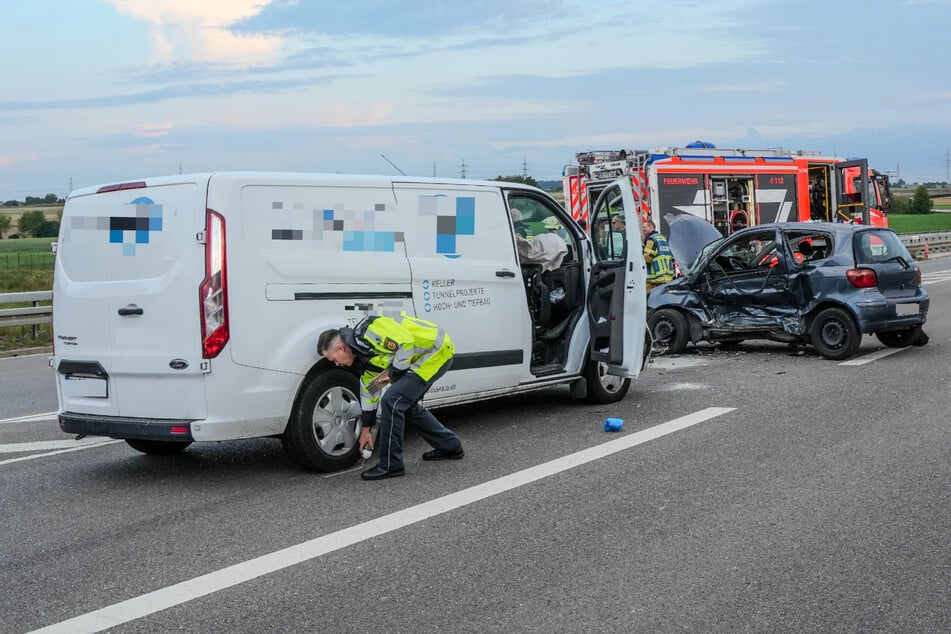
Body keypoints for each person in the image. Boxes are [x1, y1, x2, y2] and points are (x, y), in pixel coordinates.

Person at [317, 313, 464, 481]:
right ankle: (450, 446)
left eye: (334, 359)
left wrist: (393, 374)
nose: (337, 364)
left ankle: (391, 464)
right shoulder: (365, 360)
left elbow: (406, 343)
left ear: (340, 348)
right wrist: (366, 430)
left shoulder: (370, 331)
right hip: (420, 358)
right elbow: (370, 392)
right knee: (405, 405)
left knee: (392, 401)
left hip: (435, 351)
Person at [641, 219, 675, 293]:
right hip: (666, 277)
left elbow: (647, 258)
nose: (643, 230)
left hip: (655, 278)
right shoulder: (662, 238)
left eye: (644, 227)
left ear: (651, 227)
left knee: (647, 298)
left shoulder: (651, 239)